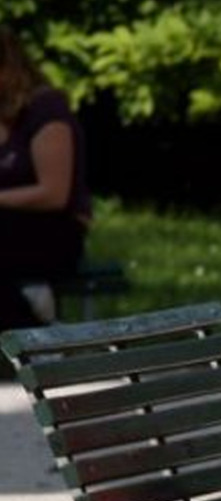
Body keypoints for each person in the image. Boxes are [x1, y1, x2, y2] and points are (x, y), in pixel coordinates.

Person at [0, 26, 92, 330]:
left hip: (52, 230)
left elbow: (54, 194)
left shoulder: (45, 109)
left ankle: (36, 326)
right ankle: (34, 319)